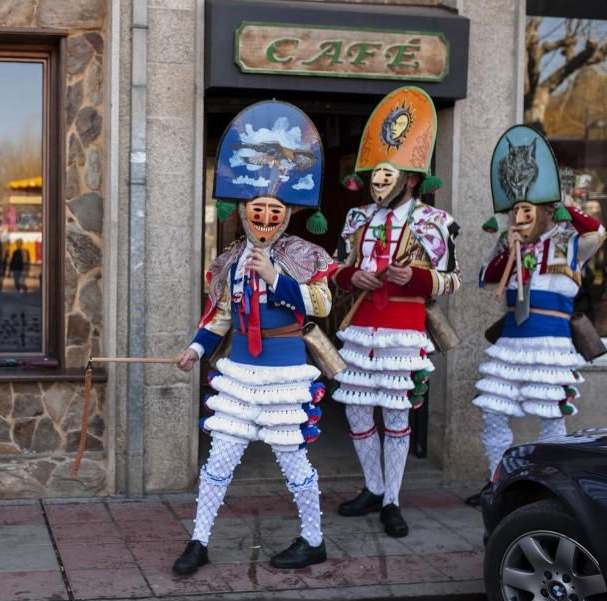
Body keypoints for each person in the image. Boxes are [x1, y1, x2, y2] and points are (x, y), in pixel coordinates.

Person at [173, 100, 336, 575]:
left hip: (285, 373)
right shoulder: (229, 259)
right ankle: (199, 541)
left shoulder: (304, 254)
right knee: (219, 459)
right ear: (244, 211)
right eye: (257, 210)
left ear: (287, 214)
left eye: (274, 211)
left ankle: (313, 539)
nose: (265, 218)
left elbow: (323, 304)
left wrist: (277, 279)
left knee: (292, 460)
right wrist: (195, 348)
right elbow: (221, 315)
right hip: (239, 373)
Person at [332, 87, 461, 537]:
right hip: (361, 328)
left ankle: (392, 499)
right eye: (374, 177)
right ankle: (372, 486)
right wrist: (353, 279)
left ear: (409, 179)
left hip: (403, 330)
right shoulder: (355, 221)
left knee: (397, 415)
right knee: (356, 412)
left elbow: (452, 279)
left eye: (388, 177)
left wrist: (418, 280)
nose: (378, 185)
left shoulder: (434, 223)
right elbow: (336, 271)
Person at [470, 125, 605, 504]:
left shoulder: (569, 241)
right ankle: (497, 484)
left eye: (528, 209)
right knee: (494, 415)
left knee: (551, 421)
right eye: (515, 210)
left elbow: (598, 231)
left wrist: (561, 203)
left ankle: (555, 492)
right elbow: (486, 278)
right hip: (512, 342)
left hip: (550, 342)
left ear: (546, 211)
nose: (520, 216)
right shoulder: (508, 243)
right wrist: (508, 247)